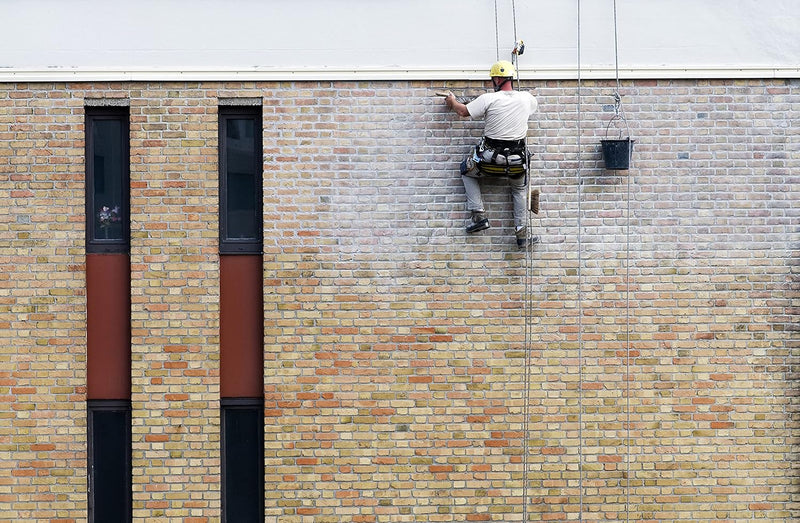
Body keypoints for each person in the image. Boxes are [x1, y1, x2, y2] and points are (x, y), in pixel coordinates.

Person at [443, 60, 538, 248]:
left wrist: (452, 101)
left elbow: (463, 112)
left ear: (497, 79)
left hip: (489, 161)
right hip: (517, 163)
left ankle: (479, 215)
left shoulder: (488, 99)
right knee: (519, 189)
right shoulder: (528, 98)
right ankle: (522, 234)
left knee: (466, 170)